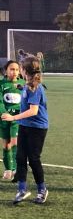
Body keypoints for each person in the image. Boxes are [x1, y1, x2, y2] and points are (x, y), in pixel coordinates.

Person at [1, 55, 49, 204]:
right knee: (20, 157)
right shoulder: (26, 85)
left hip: (37, 128)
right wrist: (21, 88)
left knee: (34, 159)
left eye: (20, 67)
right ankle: (21, 190)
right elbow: (26, 92)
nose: (18, 70)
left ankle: (42, 190)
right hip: (25, 126)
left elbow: (33, 111)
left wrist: (13, 117)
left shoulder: (35, 87)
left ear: (24, 70)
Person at [0, 60, 25, 180]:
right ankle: (8, 169)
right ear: (6, 71)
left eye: (16, 69)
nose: (14, 72)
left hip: (17, 118)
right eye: (11, 69)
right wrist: (3, 112)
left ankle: (15, 169)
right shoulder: (1, 84)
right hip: (4, 118)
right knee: (6, 145)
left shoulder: (23, 84)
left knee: (15, 143)